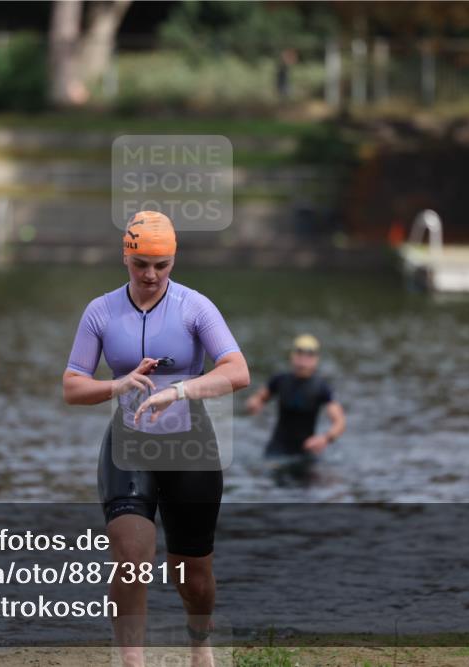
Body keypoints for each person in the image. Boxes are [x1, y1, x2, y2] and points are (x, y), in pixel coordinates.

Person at [63, 211, 250, 667]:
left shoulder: (195, 307)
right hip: (129, 444)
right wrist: (117, 386)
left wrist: (181, 390)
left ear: (173, 261)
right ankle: (132, 661)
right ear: (126, 257)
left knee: (193, 575)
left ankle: (199, 646)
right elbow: (72, 385)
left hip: (191, 446)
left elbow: (237, 371)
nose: (151, 275)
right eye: (141, 264)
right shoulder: (101, 312)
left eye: (161, 265)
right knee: (130, 553)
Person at [245, 334, 345, 482]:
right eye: (300, 353)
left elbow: (340, 421)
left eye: (309, 354)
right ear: (292, 356)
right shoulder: (280, 380)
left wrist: (325, 438)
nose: (303, 359)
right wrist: (253, 404)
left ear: (316, 359)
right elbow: (258, 398)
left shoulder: (322, 388)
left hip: (305, 452)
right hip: (277, 450)